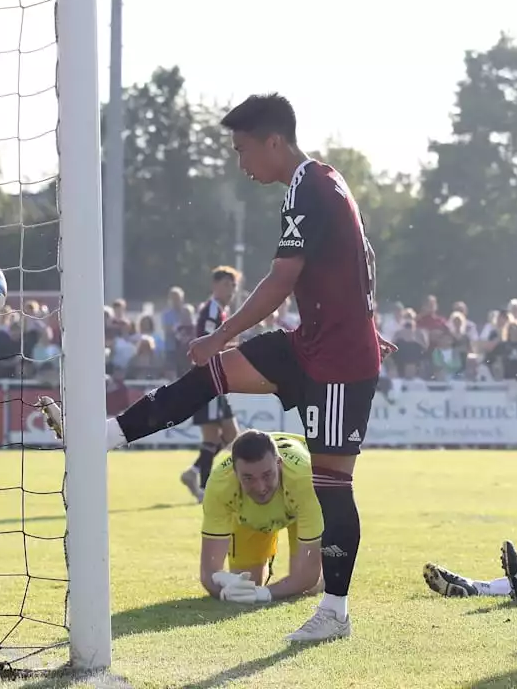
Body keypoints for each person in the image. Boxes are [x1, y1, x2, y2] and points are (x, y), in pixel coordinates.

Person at [46, 93, 389, 642]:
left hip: (342, 362)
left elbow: (283, 279)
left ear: (274, 141)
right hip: (314, 344)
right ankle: (104, 437)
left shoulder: (309, 186)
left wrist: (221, 333)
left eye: (242, 150)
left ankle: (335, 611)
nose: (241, 164)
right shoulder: (324, 181)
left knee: (331, 483)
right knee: (215, 376)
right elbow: (361, 255)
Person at [199, 430, 324, 604]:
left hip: (298, 509)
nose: (260, 487)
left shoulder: (305, 480)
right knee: (246, 586)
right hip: (248, 518)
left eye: (267, 475)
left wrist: (263, 594)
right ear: (234, 472)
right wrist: (222, 587)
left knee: (310, 588)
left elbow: (307, 577)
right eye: (248, 478)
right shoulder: (220, 484)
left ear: (279, 464)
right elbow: (208, 573)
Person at [180, 266, 243, 502]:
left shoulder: (220, 312)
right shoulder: (211, 312)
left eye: (233, 285)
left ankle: (194, 472)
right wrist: (236, 348)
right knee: (218, 436)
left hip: (215, 380)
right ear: (215, 286)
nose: (231, 290)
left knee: (229, 435)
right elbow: (208, 345)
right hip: (208, 379)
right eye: (227, 284)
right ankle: (204, 487)